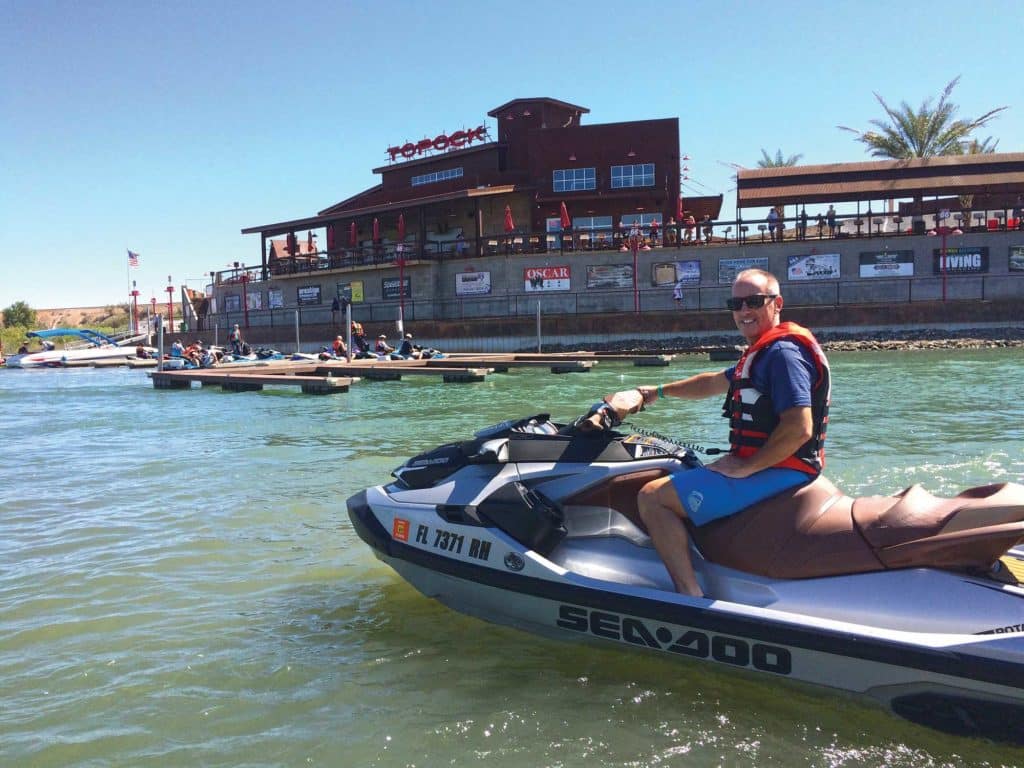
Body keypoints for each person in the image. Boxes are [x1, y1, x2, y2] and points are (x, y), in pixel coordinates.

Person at [610, 269, 831, 597]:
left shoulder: (782, 355)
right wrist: (652, 392)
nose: (744, 310)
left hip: (782, 469)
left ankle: (689, 595)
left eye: (754, 301)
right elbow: (713, 382)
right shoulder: (762, 354)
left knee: (653, 498)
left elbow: (800, 427)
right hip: (780, 466)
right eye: (736, 303)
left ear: (777, 303)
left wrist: (747, 467)